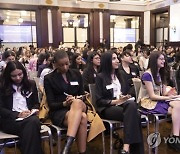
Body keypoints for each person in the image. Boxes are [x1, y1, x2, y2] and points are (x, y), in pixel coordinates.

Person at [95, 51, 144, 154]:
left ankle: (126, 148)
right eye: (114, 59)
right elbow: (99, 101)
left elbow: (124, 91)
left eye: (117, 58)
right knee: (135, 113)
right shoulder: (100, 77)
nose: (117, 61)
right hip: (107, 108)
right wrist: (117, 101)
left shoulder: (120, 74)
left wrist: (124, 97)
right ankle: (131, 149)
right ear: (107, 61)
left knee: (132, 109)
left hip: (123, 105)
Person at [44, 50, 87, 154]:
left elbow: (83, 95)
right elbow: (51, 104)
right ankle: (82, 151)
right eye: (61, 65)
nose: (65, 67)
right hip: (60, 111)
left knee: (76, 102)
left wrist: (76, 98)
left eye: (67, 64)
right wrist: (65, 103)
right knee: (83, 118)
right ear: (54, 64)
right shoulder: (49, 79)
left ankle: (67, 147)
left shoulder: (76, 74)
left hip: (80, 105)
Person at [138, 51, 180, 151]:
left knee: (178, 106)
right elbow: (152, 96)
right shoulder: (147, 75)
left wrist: (171, 93)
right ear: (154, 60)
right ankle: (174, 138)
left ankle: (174, 137)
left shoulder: (159, 73)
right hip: (147, 102)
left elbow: (162, 92)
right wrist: (169, 98)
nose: (164, 61)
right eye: (161, 59)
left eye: (163, 59)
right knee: (177, 107)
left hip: (158, 100)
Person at [0, 61, 42, 154]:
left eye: (20, 74)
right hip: (10, 121)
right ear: (8, 76)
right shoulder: (2, 87)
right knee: (33, 125)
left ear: (24, 72)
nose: (18, 78)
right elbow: (1, 109)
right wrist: (18, 114)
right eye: (14, 76)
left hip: (29, 117)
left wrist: (33, 110)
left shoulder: (31, 84)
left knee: (32, 123)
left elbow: (36, 103)